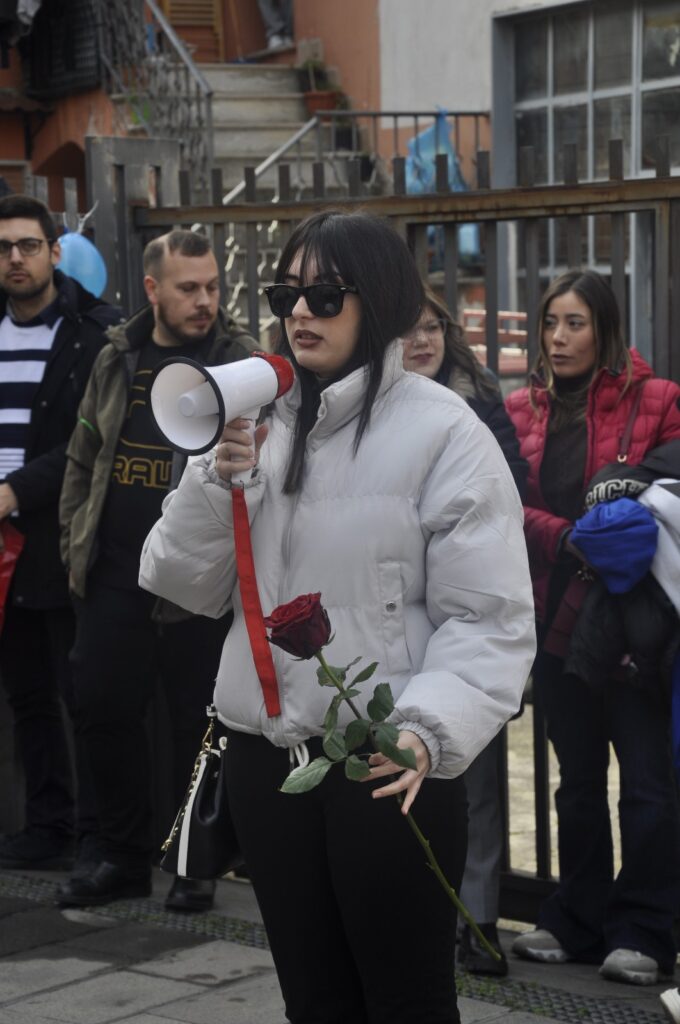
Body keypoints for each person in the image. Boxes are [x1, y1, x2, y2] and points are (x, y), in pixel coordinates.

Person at [139, 210, 536, 1023]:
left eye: (324, 293)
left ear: (381, 299)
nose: (299, 313)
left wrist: (428, 729)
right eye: (288, 292)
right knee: (313, 999)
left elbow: (490, 617)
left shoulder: (445, 432)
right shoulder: (257, 419)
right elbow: (178, 581)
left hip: (388, 764)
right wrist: (215, 480)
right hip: (266, 758)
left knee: (406, 1001)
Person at [56, 230, 257, 910]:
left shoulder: (240, 362)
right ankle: (121, 857)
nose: (204, 301)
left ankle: (194, 863)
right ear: (152, 289)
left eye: (211, 287)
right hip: (114, 573)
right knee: (104, 711)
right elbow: (83, 454)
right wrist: (72, 542)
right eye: (188, 288)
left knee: (198, 725)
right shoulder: (118, 356)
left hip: (200, 582)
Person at [505, 269, 680, 986]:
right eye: (551, 323)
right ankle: (575, 916)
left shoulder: (661, 399)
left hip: (636, 621)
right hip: (556, 619)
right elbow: (502, 506)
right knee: (575, 783)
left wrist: (625, 516)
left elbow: (672, 485)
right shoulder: (520, 410)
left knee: (647, 784)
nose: (559, 337)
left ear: (605, 329)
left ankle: (643, 927)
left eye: (575, 323)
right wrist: (571, 537)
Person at [402, 286, 528, 978]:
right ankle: (420, 914)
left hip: (464, 609)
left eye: (433, 328)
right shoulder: (362, 410)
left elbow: (509, 488)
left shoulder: (478, 403)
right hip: (392, 623)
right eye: (409, 330)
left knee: (476, 780)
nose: (423, 341)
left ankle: (478, 922)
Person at [0, 194, 121, 870]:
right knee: (26, 696)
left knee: (82, 694)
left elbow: (89, 431)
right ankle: (45, 827)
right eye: (3, 247)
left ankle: (95, 835)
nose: (14, 258)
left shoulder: (93, 331)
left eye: (27, 245)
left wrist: (15, 491)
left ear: (53, 251)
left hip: (62, 536)